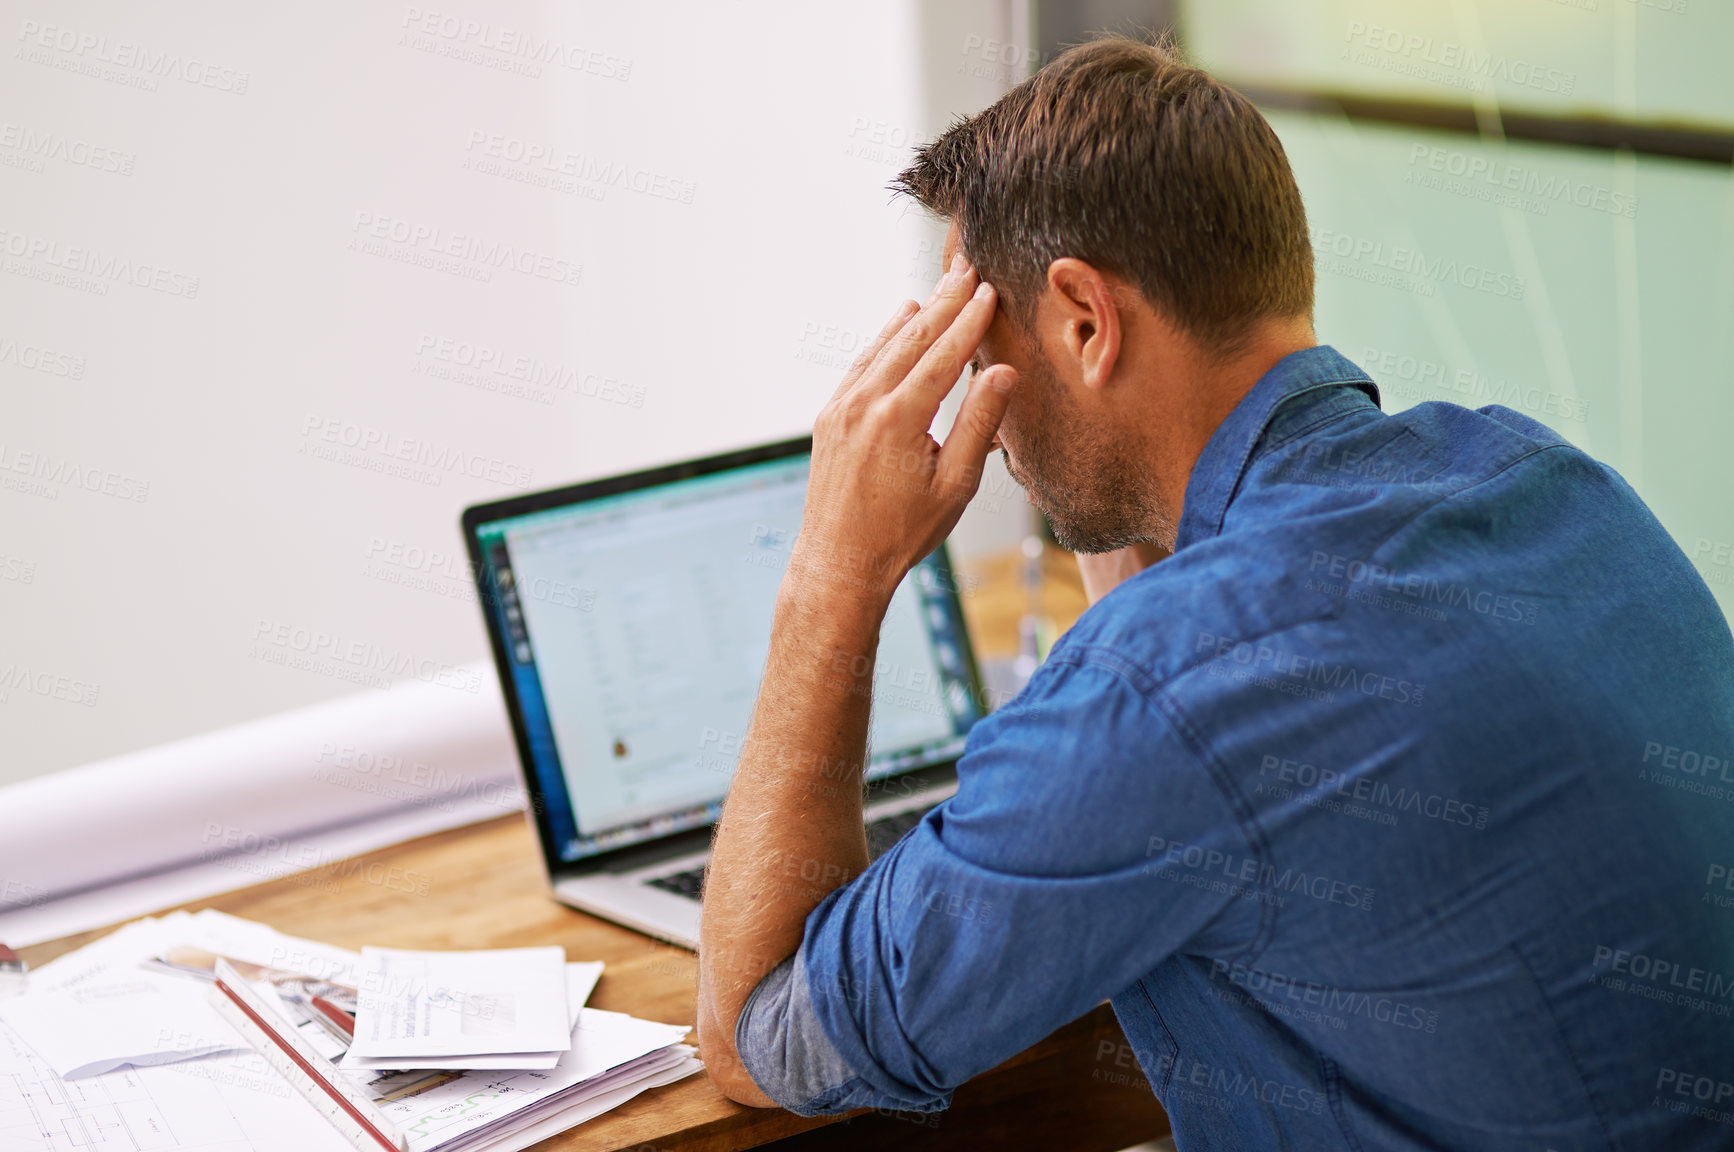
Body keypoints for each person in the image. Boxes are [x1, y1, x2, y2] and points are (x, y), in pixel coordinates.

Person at [695, 36, 1734, 1150]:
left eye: (986, 349)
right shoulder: (1552, 485)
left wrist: (832, 576)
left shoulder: (1162, 690)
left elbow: (765, 1031)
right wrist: (1115, 497)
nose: (983, 428)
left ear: (1086, 321)